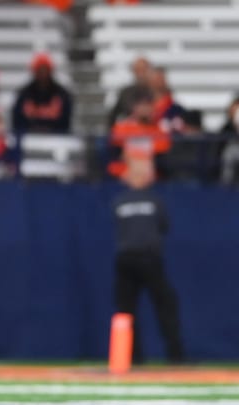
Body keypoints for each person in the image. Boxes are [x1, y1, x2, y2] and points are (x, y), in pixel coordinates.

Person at [112, 157, 184, 364]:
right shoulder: (154, 201)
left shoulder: (119, 201)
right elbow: (164, 227)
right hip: (148, 258)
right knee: (160, 306)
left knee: (127, 309)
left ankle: (131, 358)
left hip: (127, 258)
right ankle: (175, 357)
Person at [11, 53, 73, 135]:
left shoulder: (62, 94)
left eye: (45, 69)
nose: (42, 73)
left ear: (50, 70)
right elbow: (17, 119)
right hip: (29, 138)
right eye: (39, 70)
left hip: (56, 138)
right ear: (34, 71)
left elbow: (65, 121)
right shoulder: (24, 94)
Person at [108, 56, 153, 127]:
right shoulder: (125, 93)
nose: (141, 74)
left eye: (143, 70)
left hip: (153, 133)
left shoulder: (156, 91)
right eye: (138, 70)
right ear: (133, 71)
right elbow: (113, 116)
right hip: (130, 133)